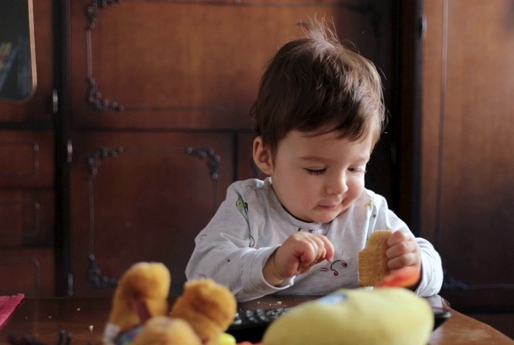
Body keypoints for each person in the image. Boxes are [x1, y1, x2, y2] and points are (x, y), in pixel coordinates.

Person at [185, 19, 443, 301]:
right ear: (266, 156)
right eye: (316, 169)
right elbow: (201, 275)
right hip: (268, 340)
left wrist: (415, 268)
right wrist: (272, 265)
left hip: (351, 338)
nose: (340, 186)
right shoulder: (248, 206)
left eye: (356, 168)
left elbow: (432, 268)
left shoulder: (368, 211)